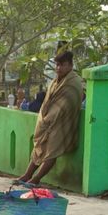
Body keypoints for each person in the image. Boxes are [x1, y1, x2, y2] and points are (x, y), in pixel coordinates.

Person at [18, 51, 83, 185]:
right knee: (39, 148)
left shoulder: (74, 82)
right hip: (48, 121)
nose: (59, 68)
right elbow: (48, 102)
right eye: (57, 65)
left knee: (53, 151)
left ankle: (36, 179)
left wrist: (51, 118)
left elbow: (67, 104)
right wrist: (45, 119)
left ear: (70, 65)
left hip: (62, 122)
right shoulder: (55, 81)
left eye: (63, 65)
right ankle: (27, 175)